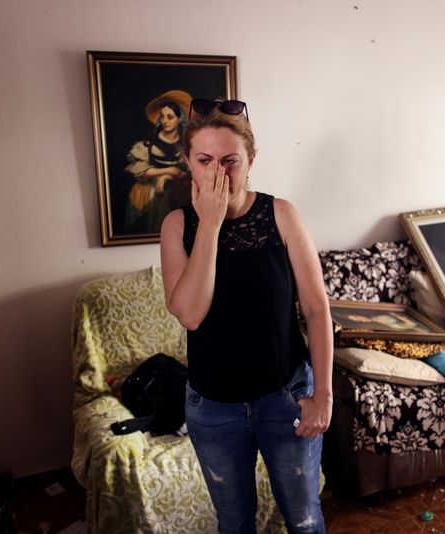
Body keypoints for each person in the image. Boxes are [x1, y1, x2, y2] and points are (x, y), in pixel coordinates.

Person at [160, 99, 332, 533]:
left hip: (285, 397)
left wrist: (323, 395)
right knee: (234, 523)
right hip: (213, 409)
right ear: (188, 162)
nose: (219, 172)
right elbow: (190, 315)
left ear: (250, 161)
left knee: (305, 518)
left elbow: (316, 309)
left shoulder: (282, 215)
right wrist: (211, 225)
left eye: (230, 160)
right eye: (205, 160)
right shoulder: (177, 226)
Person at [125, 90, 192, 234]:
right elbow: (140, 170)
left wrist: (167, 177)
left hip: (178, 194)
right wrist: (167, 171)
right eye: (162, 117)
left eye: (170, 117)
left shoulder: (187, 144)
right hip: (148, 194)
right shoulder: (148, 143)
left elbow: (188, 171)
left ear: (180, 119)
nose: (165, 121)